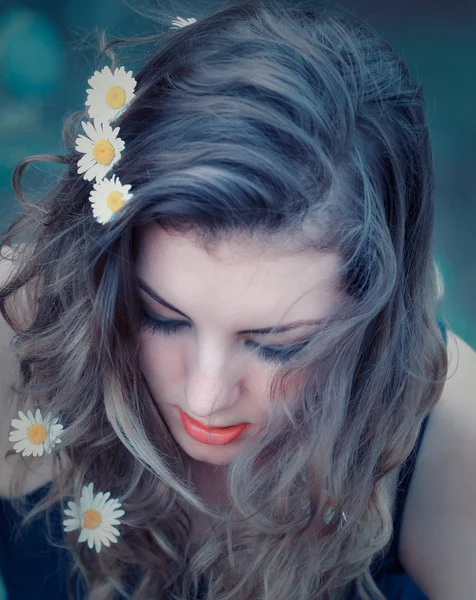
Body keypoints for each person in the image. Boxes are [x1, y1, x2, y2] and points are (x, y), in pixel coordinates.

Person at [0, 0, 475, 598]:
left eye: (280, 345)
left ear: (373, 311)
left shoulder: (450, 434)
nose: (205, 395)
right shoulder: (20, 333)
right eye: (162, 317)